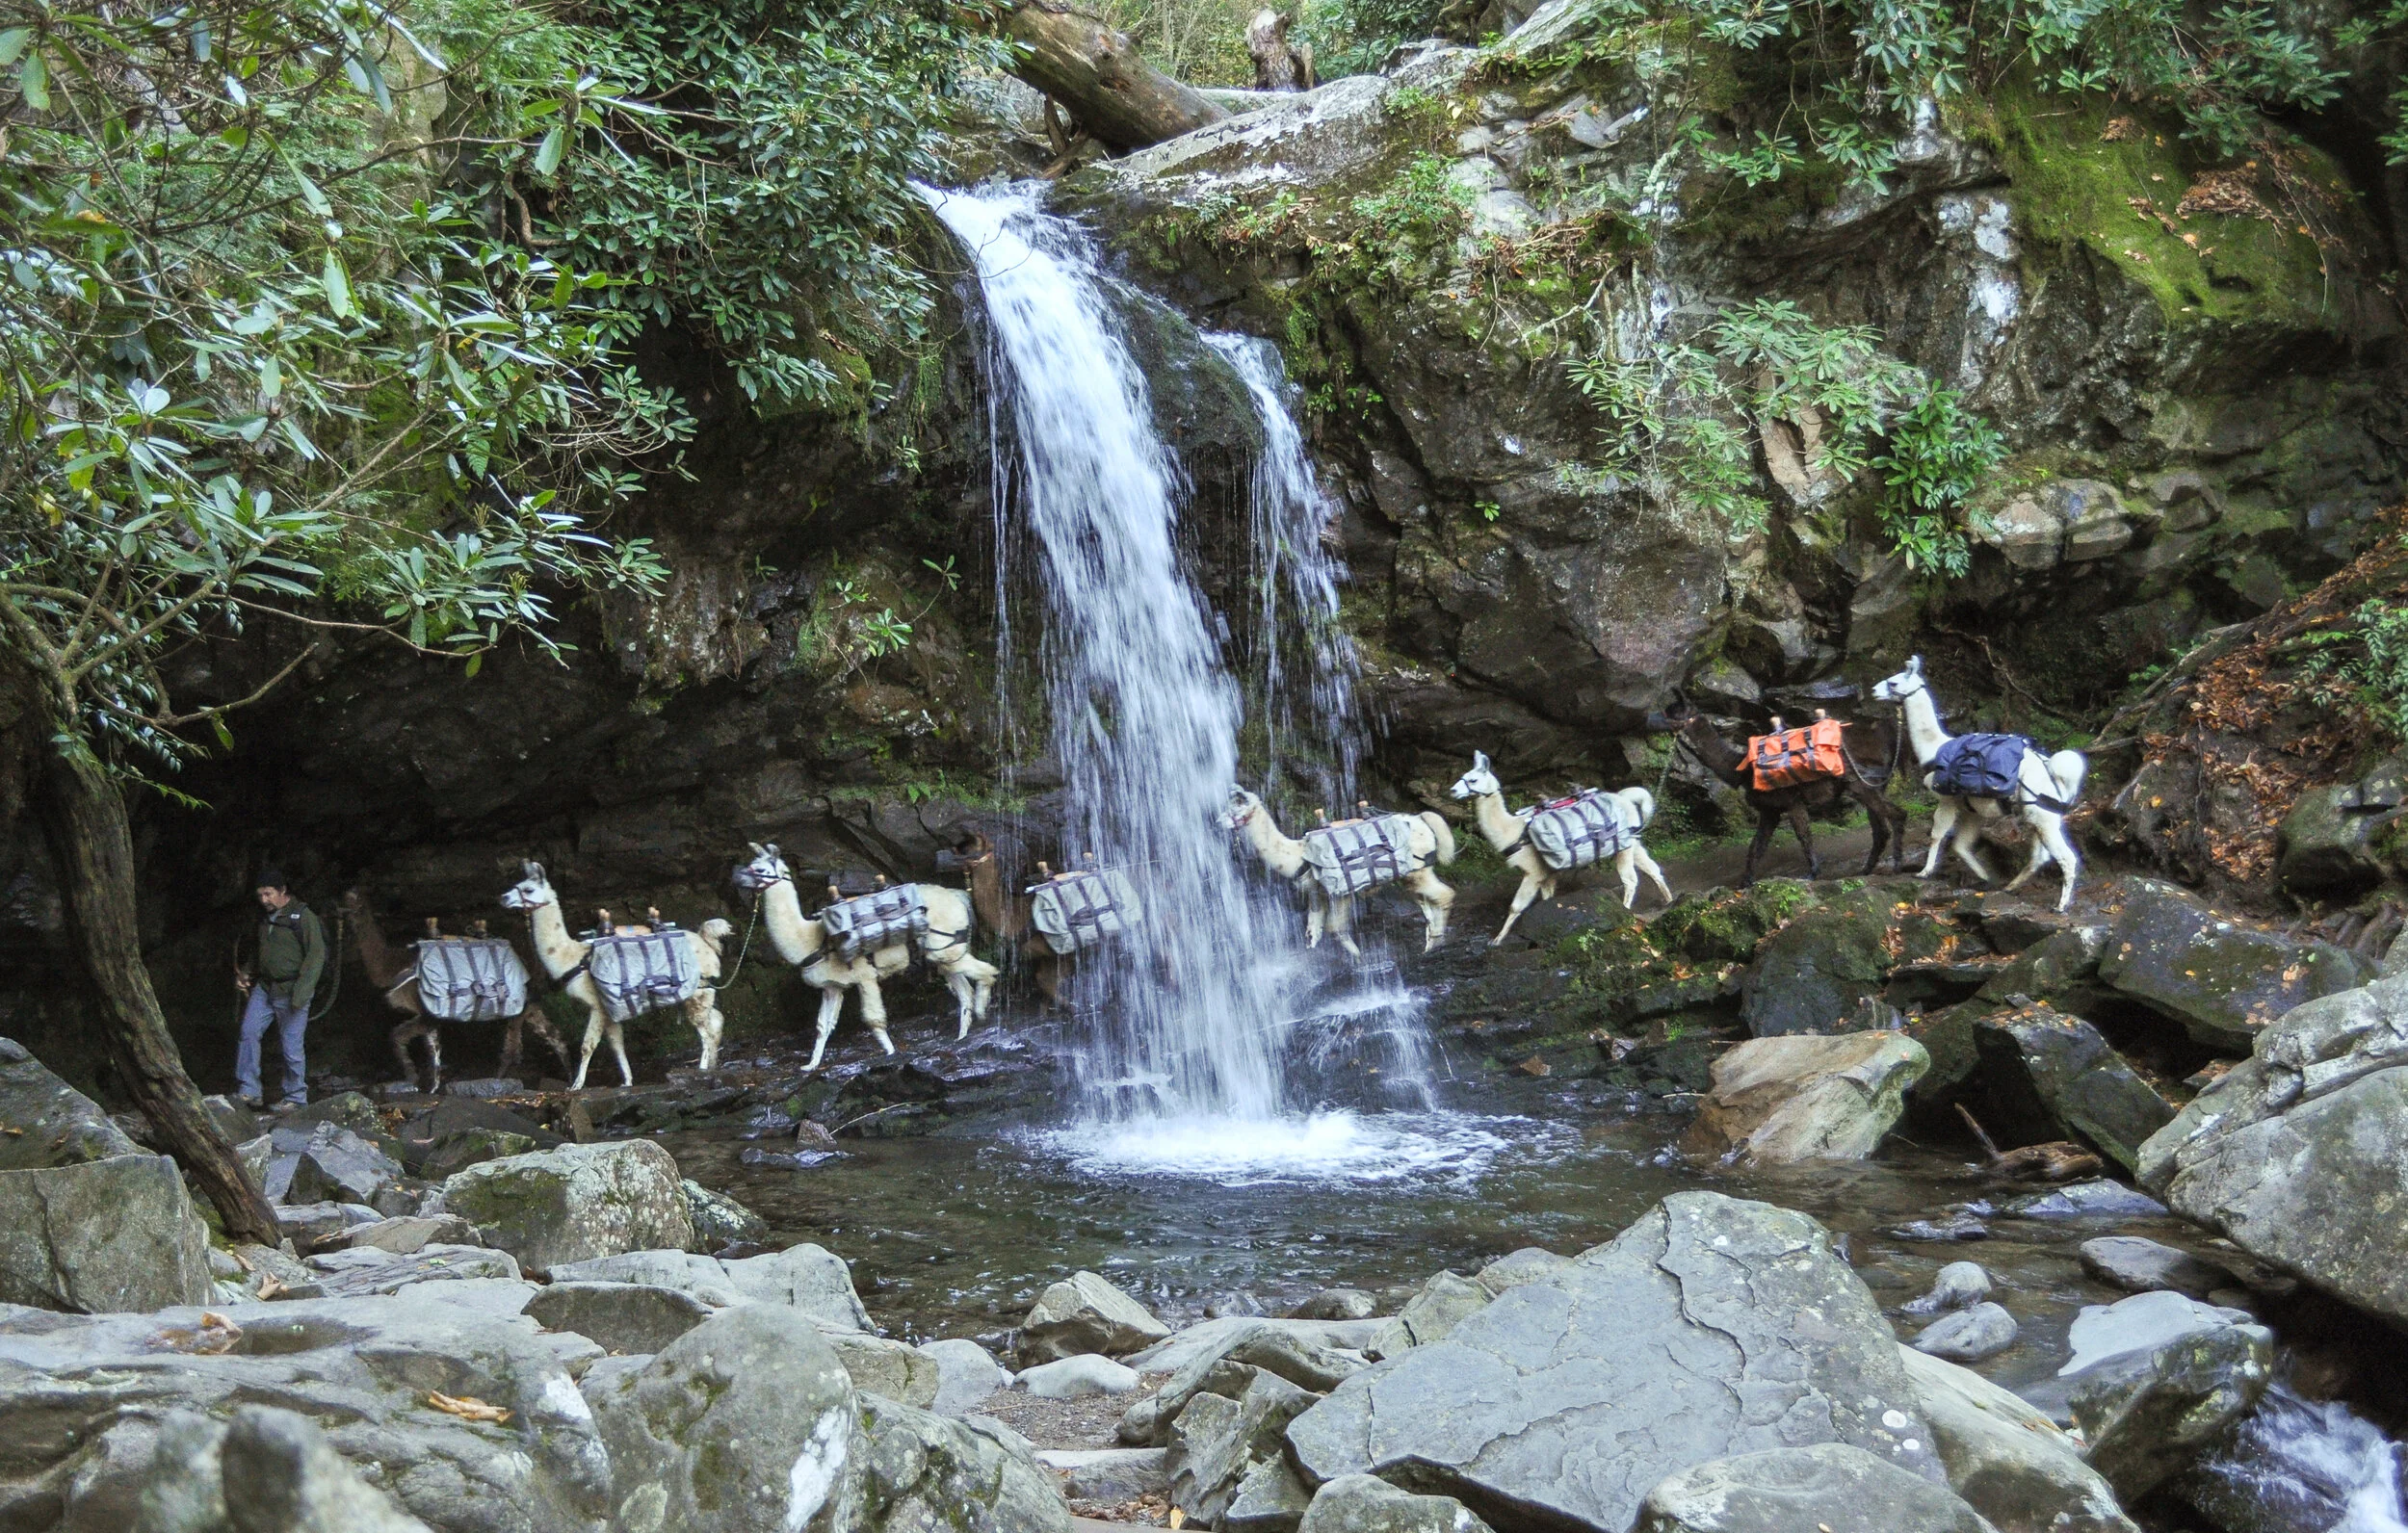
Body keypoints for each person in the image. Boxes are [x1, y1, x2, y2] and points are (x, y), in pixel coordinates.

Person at [235, 869, 326, 1109]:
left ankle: (296, 1097)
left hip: (292, 988)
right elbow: (262, 951)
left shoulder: (304, 918)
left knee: (291, 1046)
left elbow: (316, 956)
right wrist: (246, 973)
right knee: (248, 1032)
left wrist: (301, 993)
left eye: (268, 894)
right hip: (265, 987)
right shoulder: (265, 918)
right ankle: (249, 1090)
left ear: (282, 891)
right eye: (260, 895)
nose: (264, 900)